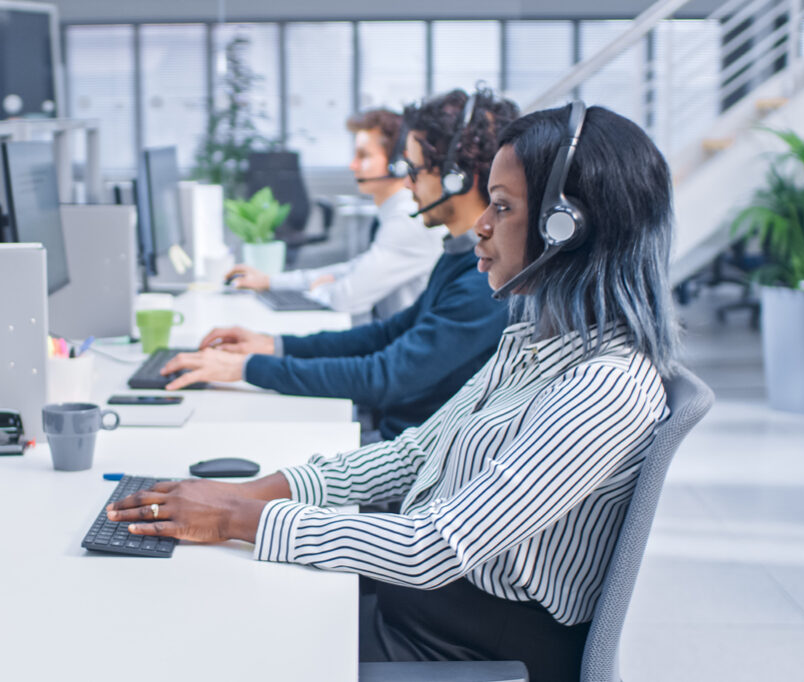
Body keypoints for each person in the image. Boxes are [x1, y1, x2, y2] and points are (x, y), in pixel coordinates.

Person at [110, 103, 681, 682]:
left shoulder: (606, 387)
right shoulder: (532, 340)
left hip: (469, 654)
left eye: (502, 207)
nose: (480, 224)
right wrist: (256, 492)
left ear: (567, 231)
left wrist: (237, 516)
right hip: (416, 614)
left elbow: (431, 547)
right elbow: (412, 457)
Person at [160, 88, 516, 443]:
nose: (406, 183)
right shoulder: (458, 255)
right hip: (398, 441)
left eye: (414, 169)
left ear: (458, 177)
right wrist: (274, 346)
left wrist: (247, 368)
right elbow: (386, 334)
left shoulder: (484, 282)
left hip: (407, 456)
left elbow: (383, 377)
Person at [225, 109, 443, 321]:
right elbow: (355, 269)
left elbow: (347, 297)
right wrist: (270, 281)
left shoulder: (408, 220)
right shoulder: (394, 213)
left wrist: (321, 289)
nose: (352, 165)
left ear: (399, 165)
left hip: (402, 348)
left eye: (363, 155)